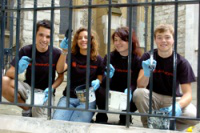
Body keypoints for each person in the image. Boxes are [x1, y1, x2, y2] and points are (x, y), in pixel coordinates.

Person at [133, 24, 198, 129]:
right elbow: (140, 85)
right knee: (139, 93)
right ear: (155, 40)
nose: (163, 40)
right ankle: (148, 125)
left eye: (167, 37)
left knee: (193, 115)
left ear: (173, 40)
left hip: (172, 99)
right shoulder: (148, 56)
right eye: (159, 37)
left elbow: (188, 94)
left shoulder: (181, 62)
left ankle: (169, 126)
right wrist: (147, 73)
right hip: (152, 97)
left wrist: (177, 106)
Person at [2, 19, 64, 117]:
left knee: (39, 121)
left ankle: (33, 111)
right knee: (3, 81)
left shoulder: (56, 53)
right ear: (35, 34)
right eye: (41, 35)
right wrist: (19, 68)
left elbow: (61, 77)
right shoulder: (26, 50)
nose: (44, 39)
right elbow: (8, 74)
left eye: (48, 37)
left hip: (45, 93)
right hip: (28, 89)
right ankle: (27, 108)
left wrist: (51, 88)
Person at [53, 27, 104, 123]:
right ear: (76, 41)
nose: (83, 40)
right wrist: (64, 51)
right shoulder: (71, 56)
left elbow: (100, 78)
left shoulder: (98, 59)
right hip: (69, 98)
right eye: (80, 38)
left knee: (76, 126)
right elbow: (60, 69)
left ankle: (88, 117)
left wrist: (98, 81)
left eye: (86, 37)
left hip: (87, 100)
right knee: (57, 123)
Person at [95, 27, 142, 125]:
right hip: (111, 89)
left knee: (137, 95)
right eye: (115, 40)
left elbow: (134, 82)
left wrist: (130, 89)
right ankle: (102, 114)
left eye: (121, 40)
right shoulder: (110, 57)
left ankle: (126, 115)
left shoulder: (136, 59)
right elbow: (104, 81)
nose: (117, 43)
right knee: (99, 90)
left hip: (126, 91)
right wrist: (108, 77)